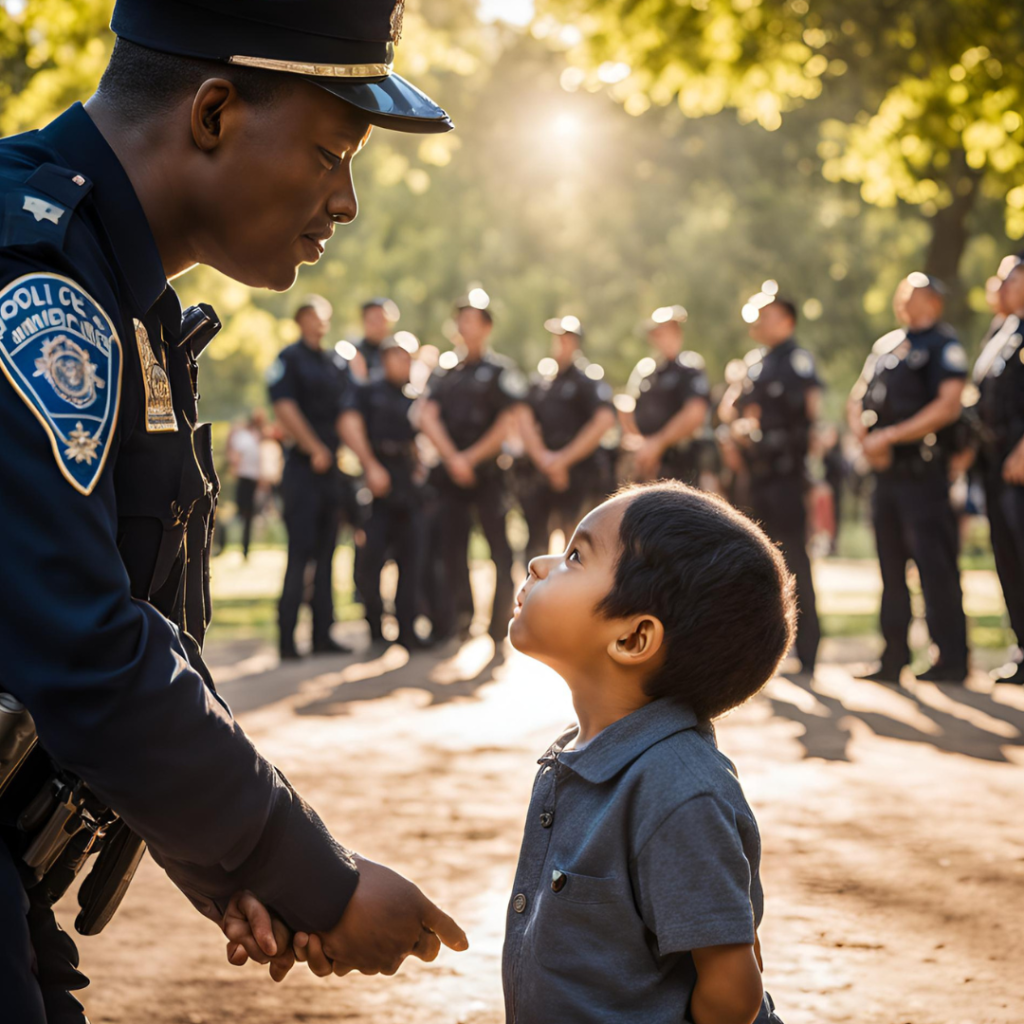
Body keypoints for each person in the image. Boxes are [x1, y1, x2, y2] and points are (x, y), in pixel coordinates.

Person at [0, 4, 467, 1020]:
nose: (343, 202)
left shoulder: (119, 296)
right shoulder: (33, 284)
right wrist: (317, 882)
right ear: (213, 112)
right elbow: (82, 649)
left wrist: (230, 867)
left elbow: (138, 614)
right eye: (329, 154)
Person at [504, 481, 790, 1024]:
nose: (540, 565)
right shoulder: (581, 755)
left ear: (633, 639)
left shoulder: (677, 789)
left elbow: (732, 994)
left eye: (574, 556)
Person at [848, 273, 969, 684]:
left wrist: (891, 436)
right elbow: (857, 396)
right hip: (885, 474)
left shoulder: (943, 345)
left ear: (935, 303)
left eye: (918, 295)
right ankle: (893, 656)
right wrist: (867, 441)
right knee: (889, 568)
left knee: (935, 567)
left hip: (924, 474)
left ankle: (950, 659)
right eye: (905, 293)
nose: (908, 301)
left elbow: (949, 405)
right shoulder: (885, 345)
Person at [719, 295, 822, 677]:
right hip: (756, 476)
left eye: (766, 315)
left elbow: (811, 414)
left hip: (787, 477)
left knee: (794, 560)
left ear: (785, 319)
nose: (758, 322)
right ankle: (761, 653)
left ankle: (808, 651)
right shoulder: (754, 363)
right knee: (752, 562)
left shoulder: (798, 360)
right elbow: (729, 409)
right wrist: (736, 430)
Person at [419, 295, 526, 645]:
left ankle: (500, 627)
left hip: (489, 474)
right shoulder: (445, 372)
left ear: (486, 326)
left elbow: (507, 420)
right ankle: (461, 619)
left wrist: (471, 458)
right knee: (452, 550)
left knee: (500, 550)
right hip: (451, 476)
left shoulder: (500, 372)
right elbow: (427, 417)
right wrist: (454, 459)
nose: (465, 327)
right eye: (460, 320)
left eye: (472, 320)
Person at [267, 295, 359, 659]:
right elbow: (283, 406)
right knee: (299, 554)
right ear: (299, 321)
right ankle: (288, 639)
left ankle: (324, 634)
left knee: (327, 555)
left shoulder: (338, 362)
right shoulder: (288, 359)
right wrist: (314, 447)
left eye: (322, 316)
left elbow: (348, 413)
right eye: (309, 316)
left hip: (331, 473)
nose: (317, 322)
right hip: (303, 470)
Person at [341, 333, 429, 651]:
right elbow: (348, 424)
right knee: (370, 563)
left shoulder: (415, 396)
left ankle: (407, 630)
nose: (402, 362)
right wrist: (370, 465)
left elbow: (421, 437)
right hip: (377, 484)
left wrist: (420, 464)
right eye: (396, 356)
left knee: (411, 560)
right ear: (385, 359)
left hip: (407, 485)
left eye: (407, 357)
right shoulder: (366, 391)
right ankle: (376, 629)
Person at [518, 315, 616, 563]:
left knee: (576, 543)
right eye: (558, 338)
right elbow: (523, 418)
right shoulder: (542, 382)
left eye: (567, 338)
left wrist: (562, 461)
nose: (562, 344)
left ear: (577, 342)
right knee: (537, 543)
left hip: (579, 473)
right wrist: (545, 461)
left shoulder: (588, 379)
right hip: (543, 473)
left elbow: (603, 420)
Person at [972, 256, 1024, 685]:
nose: (1000, 284)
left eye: (1010, 276)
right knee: (1008, 559)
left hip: (1019, 462)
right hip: (994, 464)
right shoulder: (1002, 330)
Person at [620, 305, 711, 483]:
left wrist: (657, 445)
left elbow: (695, 413)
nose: (664, 338)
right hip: (647, 464)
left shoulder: (689, 367)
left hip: (681, 463)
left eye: (670, 331)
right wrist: (642, 445)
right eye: (659, 333)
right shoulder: (645, 370)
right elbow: (626, 406)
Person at [226, 408, 267, 559]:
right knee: (241, 514)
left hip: (253, 480)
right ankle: (224, 542)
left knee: (248, 516)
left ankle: (245, 549)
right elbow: (235, 457)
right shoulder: (244, 437)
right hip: (245, 479)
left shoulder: (255, 437)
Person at [351, 296, 401, 382]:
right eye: (371, 320)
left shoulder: (400, 351)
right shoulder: (354, 352)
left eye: (380, 319)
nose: (376, 325)